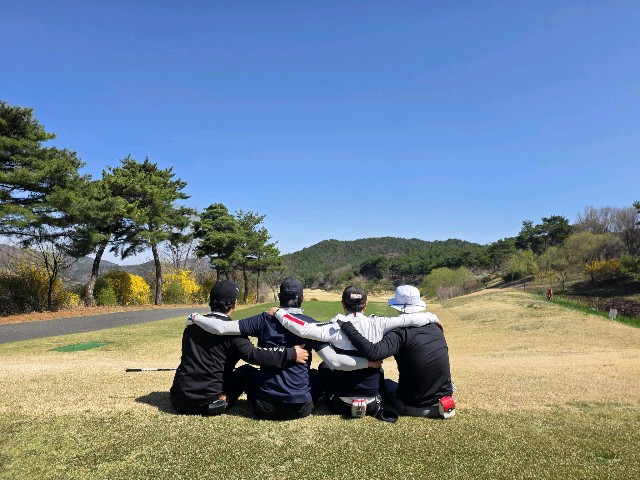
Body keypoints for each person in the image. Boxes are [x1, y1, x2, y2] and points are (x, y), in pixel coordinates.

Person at [188, 277, 378, 420]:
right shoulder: (310, 325)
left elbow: (223, 327)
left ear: (279, 297)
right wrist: (369, 362)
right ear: (302, 298)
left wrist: (195, 317)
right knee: (319, 372)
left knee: (246, 371)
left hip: (265, 407)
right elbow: (334, 361)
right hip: (302, 408)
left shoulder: (263, 319)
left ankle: (224, 398)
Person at [268, 285, 439, 420]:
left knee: (325, 367)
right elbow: (407, 319)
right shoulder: (379, 323)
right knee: (378, 370)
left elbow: (303, 329)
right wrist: (432, 318)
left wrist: (280, 313)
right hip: (372, 403)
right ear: (365, 305)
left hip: (340, 404)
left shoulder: (335, 327)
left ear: (343, 304)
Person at [169, 280, 308, 416]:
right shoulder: (233, 333)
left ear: (210, 302)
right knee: (246, 371)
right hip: (210, 399)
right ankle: (223, 399)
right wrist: (290, 354)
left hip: (179, 399)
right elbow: (254, 355)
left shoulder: (191, 326)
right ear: (234, 304)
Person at [338, 285, 456, 419]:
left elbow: (373, 353)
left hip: (414, 406)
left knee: (384, 382)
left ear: (397, 306)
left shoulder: (399, 333)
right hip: (446, 400)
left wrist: (347, 327)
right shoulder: (435, 326)